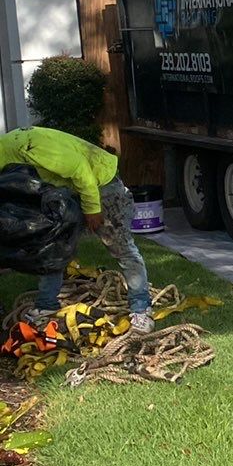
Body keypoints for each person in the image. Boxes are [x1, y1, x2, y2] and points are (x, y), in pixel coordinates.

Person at [0, 127, 153, 334]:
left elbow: (81, 170)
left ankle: (141, 309)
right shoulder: (9, 153)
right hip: (66, 190)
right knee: (51, 245)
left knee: (122, 249)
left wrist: (92, 209)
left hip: (100, 185)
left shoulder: (29, 147)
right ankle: (46, 305)